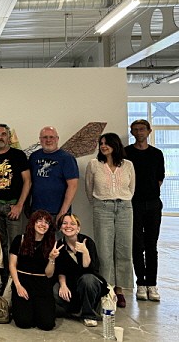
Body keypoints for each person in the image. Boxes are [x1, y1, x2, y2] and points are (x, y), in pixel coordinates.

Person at [86, 132, 135, 308]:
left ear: (116, 144)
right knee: (104, 250)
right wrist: (100, 203)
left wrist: (122, 200)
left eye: (107, 143)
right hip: (102, 207)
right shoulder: (94, 164)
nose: (103, 146)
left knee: (124, 249)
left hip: (124, 208)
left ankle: (120, 290)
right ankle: (107, 289)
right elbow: (89, 189)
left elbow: (131, 188)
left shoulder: (128, 165)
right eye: (101, 143)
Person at [0, 123, 31, 291]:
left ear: (8, 137)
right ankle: (4, 281)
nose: (0, 137)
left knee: (15, 245)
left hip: (14, 205)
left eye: (3, 134)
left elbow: (28, 181)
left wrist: (19, 205)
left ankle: (16, 282)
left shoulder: (18, 155)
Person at [125, 119, 165, 302]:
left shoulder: (157, 154)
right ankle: (140, 283)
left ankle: (152, 284)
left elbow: (159, 178)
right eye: (135, 129)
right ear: (132, 132)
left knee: (151, 245)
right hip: (134, 204)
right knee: (137, 245)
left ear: (149, 131)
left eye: (142, 129)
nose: (139, 132)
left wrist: (151, 193)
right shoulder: (126, 153)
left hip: (153, 203)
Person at [9, 210, 59, 331]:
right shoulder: (20, 239)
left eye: (47, 222)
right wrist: (18, 286)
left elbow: (49, 274)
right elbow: (12, 265)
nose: (43, 224)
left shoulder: (51, 244)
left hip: (42, 283)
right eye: (39, 221)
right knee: (24, 322)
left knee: (47, 325)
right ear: (33, 223)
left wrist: (52, 259)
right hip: (22, 281)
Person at [55, 214, 107, 327]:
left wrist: (85, 252)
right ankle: (77, 309)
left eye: (72, 224)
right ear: (60, 227)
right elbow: (60, 270)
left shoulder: (87, 242)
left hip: (89, 282)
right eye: (64, 223)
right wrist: (63, 285)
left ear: (78, 228)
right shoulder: (59, 245)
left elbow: (90, 270)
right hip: (71, 284)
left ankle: (89, 315)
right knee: (55, 290)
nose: (68, 226)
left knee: (87, 280)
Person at [29, 126, 79, 224]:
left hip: (57, 212)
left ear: (57, 139)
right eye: (45, 137)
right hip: (37, 211)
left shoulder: (67, 158)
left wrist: (63, 212)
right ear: (40, 140)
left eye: (51, 137)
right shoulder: (34, 157)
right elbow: (29, 182)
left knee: (57, 235)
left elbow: (73, 186)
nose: (48, 140)